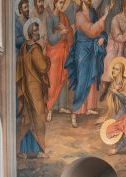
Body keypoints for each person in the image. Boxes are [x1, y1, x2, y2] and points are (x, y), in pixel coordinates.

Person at [65, 0, 110, 128]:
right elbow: (91, 30)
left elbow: (100, 31)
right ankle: (75, 111)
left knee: (92, 77)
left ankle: (89, 107)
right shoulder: (79, 15)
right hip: (82, 50)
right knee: (82, 79)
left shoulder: (92, 12)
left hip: (92, 47)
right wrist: (105, 16)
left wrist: (103, 38)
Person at [17, 18, 51, 159]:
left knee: (27, 116)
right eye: (36, 30)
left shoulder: (24, 47)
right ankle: (41, 150)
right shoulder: (36, 49)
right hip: (35, 87)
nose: (38, 33)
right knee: (38, 116)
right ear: (31, 32)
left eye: (38, 30)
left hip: (26, 86)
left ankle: (24, 150)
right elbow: (42, 67)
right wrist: (46, 56)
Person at [101, 0, 126, 93]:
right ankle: (107, 85)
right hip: (114, 46)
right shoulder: (116, 19)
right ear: (123, 7)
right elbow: (117, 37)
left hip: (124, 46)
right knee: (110, 59)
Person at [45, 0, 74, 121]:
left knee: (63, 77)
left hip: (64, 50)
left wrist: (67, 31)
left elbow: (70, 32)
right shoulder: (50, 19)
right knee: (53, 79)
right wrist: (61, 32)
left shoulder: (64, 17)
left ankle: (62, 106)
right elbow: (51, 39)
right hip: (54, 52)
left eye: (63, 3)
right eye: (60, 2)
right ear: (55, 3)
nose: (62, 5)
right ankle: (50, 108)